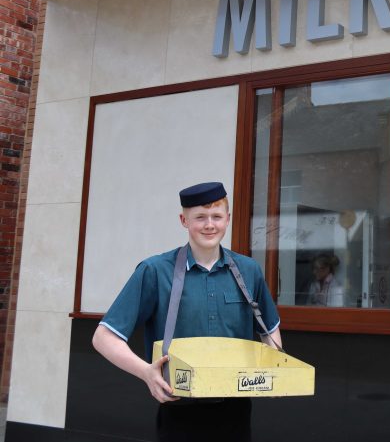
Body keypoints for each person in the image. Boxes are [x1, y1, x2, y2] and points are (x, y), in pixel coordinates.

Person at [92, 182, 282, 442]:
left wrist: (273, 371)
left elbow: (269, 331)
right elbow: (103, 337)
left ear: (228, 219)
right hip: (178, 410)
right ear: (184, 220)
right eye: (200, 217)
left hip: (236, 411)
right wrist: (146, 372)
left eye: (216, 216)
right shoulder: (155, 271)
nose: (209, 225)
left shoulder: (249, 270)